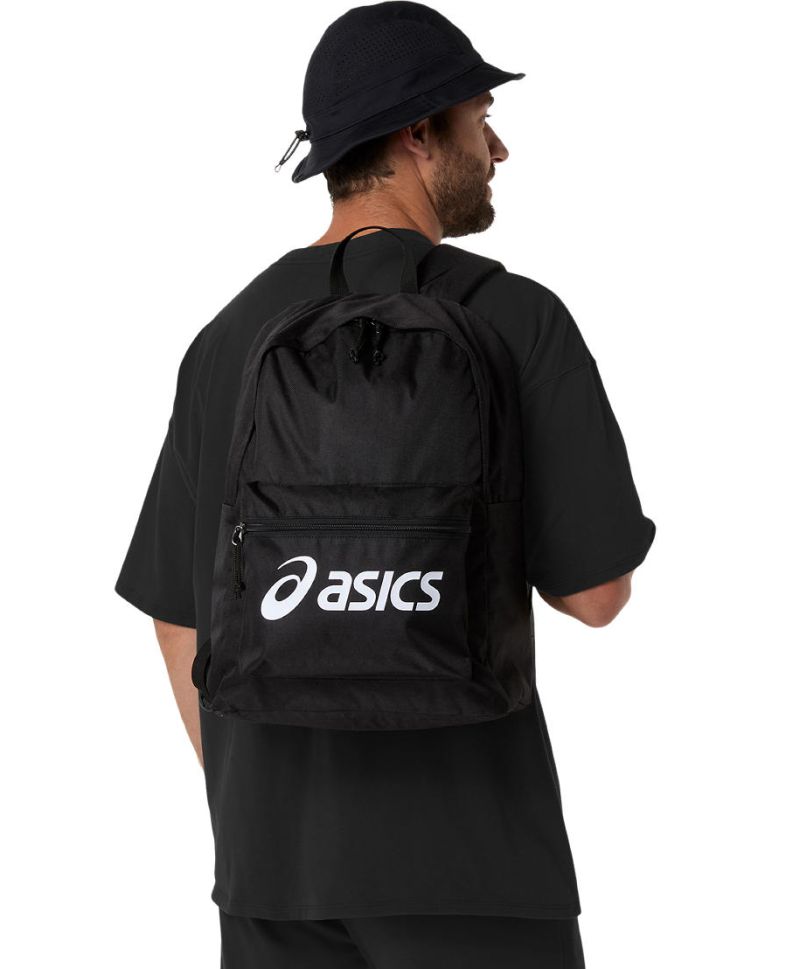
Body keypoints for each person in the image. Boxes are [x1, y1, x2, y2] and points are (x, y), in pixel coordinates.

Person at [114, 3, 656, 966]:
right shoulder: (517, 319)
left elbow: (177, 619)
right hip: (479, 874)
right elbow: (597, 594)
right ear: (418, 132)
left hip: (271, 880)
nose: (498, 147)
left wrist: (260, 815)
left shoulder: (227, 338)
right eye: (480, 119)